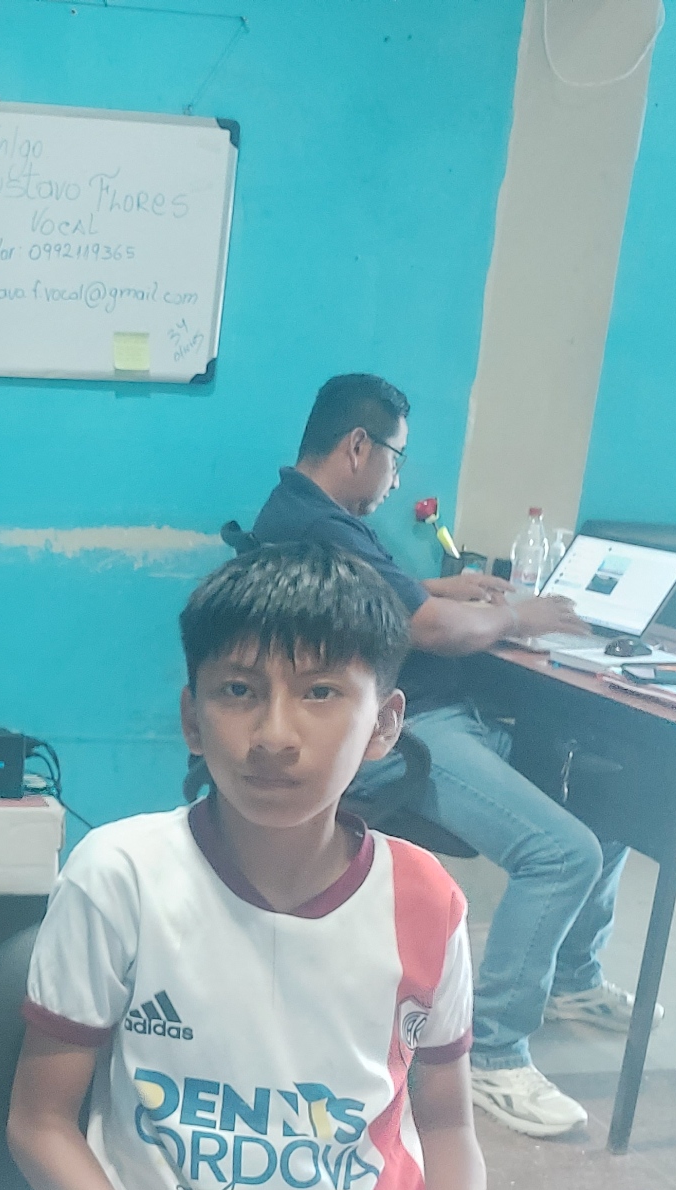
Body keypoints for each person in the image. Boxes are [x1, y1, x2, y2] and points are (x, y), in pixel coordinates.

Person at [6, 543, 501, 1190]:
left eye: (320, 692)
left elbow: (444, 1121)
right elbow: (38, 1125)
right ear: (191, 719)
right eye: (238, 690)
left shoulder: (427, 900)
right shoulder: (120, 878)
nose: (274, 734)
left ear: (384, 723)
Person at [249, 373, 654, 1140]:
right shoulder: (320, 524)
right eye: (396, 458)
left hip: (423, 714)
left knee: (603, 799)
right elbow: (430, 630)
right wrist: (518, 614)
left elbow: (381, 593)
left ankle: (572, 978)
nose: (397, 478)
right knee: (562, 851)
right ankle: (494, 1052)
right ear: (359, 446)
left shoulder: (305, 514)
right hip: (404, 733)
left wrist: (445, 587)